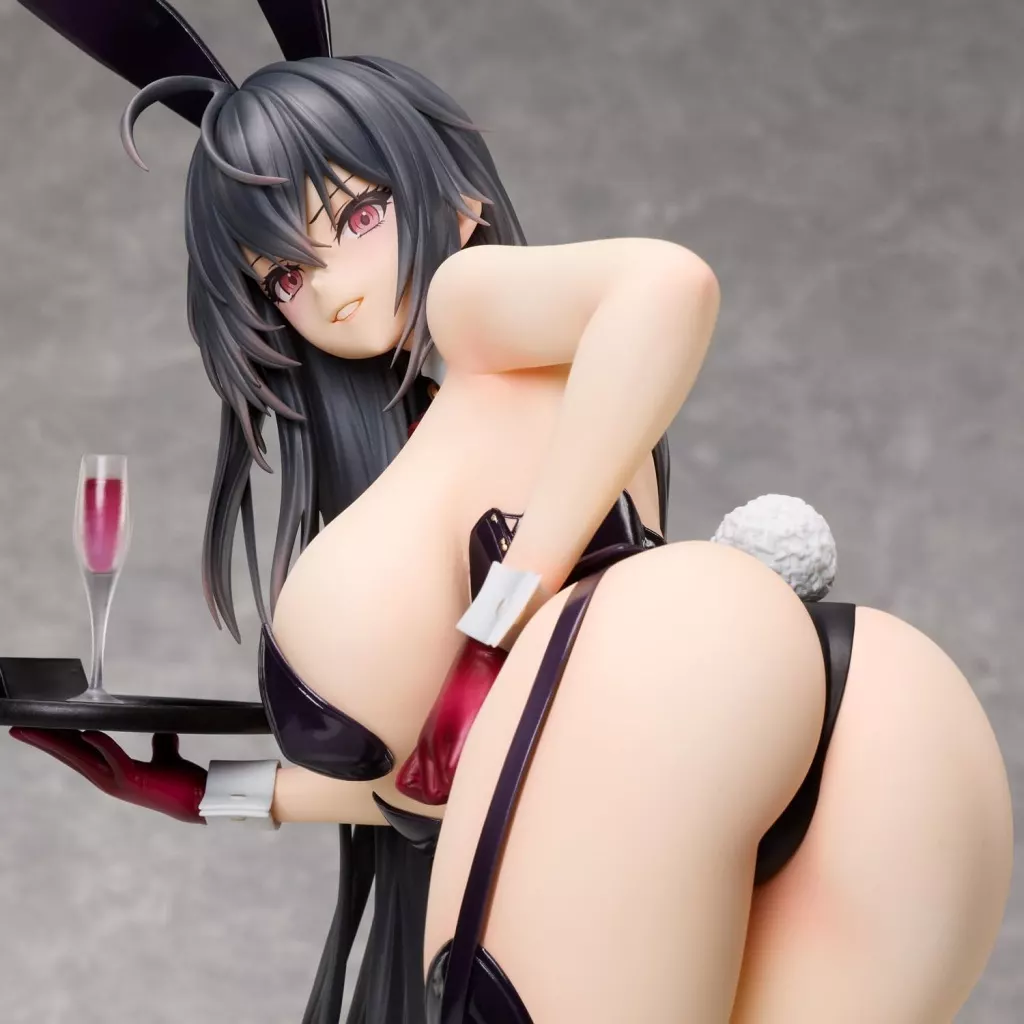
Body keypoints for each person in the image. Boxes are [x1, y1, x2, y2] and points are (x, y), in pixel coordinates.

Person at [9, 3, 1012, 1022]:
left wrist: (504, 607)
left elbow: (667, 285)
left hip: (680, 704)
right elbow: (453, 783)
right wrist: (203, 789)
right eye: (285, 275)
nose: (335, 290)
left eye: (359, 218)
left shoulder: (470, 306)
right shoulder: (486, 420)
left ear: (455, 205)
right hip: (870, 721)